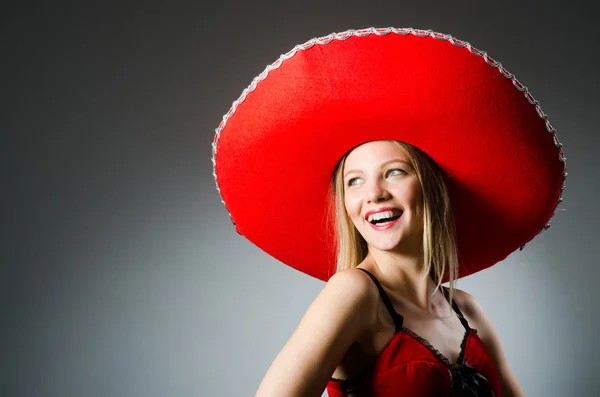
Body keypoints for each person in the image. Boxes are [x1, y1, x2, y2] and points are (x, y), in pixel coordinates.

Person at [212, 28, 566, 397]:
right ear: (345, 206)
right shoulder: (353, 294)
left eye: (394, 172)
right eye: (354, 181)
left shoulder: (468, 311)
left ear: (430, 188)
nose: (374, 194)